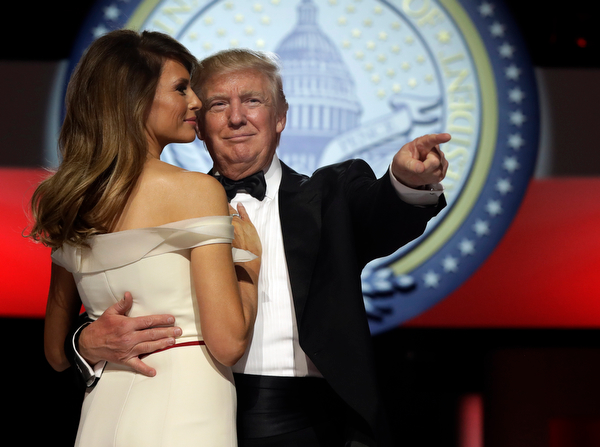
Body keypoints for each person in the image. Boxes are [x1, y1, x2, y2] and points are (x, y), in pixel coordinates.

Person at [71, 48, 450, 446]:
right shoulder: (167, 203)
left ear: (281, 116)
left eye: (252, 100)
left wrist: (406, 182)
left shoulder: (331, 194)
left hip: (313, 423)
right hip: (194, 408)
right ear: (197, 122)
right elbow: (112, 295)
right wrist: (83, 341)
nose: (237, 117)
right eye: (219, 104)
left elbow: (380, 217)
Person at [28, 31, 261, 447]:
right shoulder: (195, 191)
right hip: (187, 406)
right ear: (133, 98)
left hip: (101, 410)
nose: (196, 102)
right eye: (181, 88)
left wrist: (86, 339)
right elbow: (227, 344)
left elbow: (56, 351)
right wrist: (249, 271)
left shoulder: (68, 197)